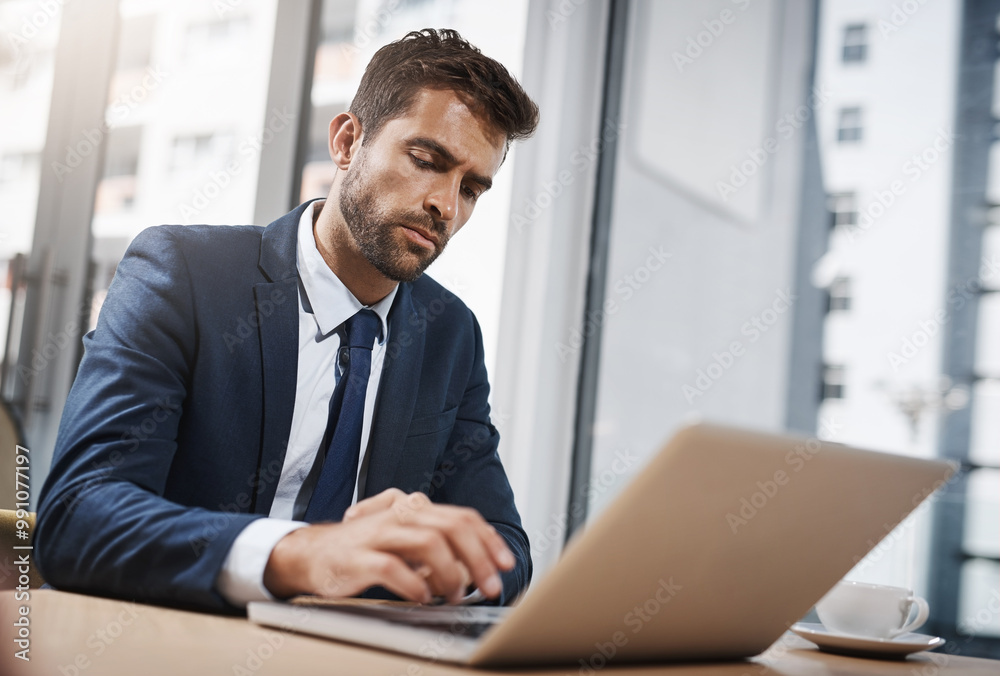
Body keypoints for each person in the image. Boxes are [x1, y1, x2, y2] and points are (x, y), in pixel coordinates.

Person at [34, 28, 539, 613]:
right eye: (427, 161)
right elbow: (77, 517)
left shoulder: (450, 333)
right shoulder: (182, 275)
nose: (446, 206)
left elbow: (507, 549)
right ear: (349, 141)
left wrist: (443, 561)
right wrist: (299, 555)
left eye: (472, 188)